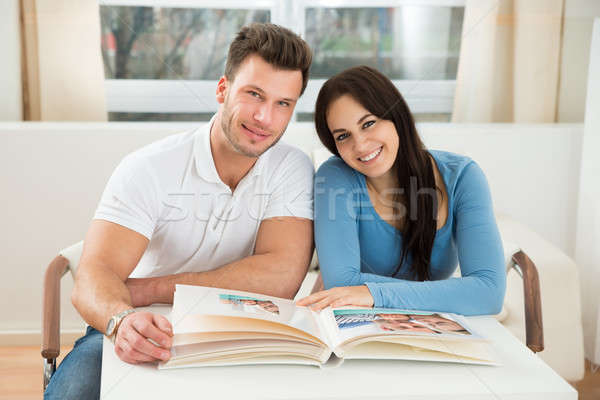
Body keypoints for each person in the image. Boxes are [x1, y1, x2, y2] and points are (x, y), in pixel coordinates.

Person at [45, 23, 314, 400]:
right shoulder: (149, 167)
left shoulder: (291, 167)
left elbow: (280, 276)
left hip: (241, 327)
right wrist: (123, 320)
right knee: (75, 392)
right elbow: (93, 277)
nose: (265, 118)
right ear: (223, 90)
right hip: (136, 318)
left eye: (282, 104)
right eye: (254, 95)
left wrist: (151, 288)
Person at [297, 65, 505, 316]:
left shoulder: (462, 176)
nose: (360, 145)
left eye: (369, 123)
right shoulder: (335, 177)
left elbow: (488, 293)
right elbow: (341, 284)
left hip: (433, 328)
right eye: (343, 136)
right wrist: (450, 294)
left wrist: (371, 292)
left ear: (396, 116)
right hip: (351, 322)